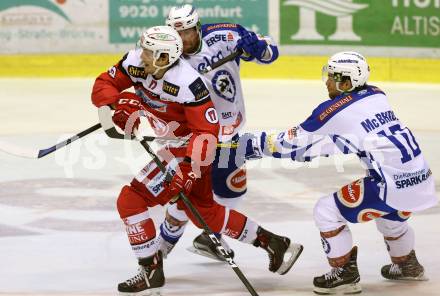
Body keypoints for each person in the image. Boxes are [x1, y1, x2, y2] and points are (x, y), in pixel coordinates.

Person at [91, 25, 302, 295]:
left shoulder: (187, 83)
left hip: (188, 152)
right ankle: (273, 242)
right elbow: (104, 84)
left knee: (131, 200)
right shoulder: (135, 62)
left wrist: (190, 169)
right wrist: (115, 105)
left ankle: (150, 270)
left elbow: (206, 134)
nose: (141, 55)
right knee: (204, 211)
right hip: (175, 147)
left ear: (164, 58)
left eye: (148, 52)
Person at [245, 51, 438, 294]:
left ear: (346, 83)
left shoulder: (333, 110)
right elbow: (346, 138)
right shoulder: (377, 94)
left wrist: (250, 144)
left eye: (332, 77)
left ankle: (344, 273)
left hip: (390, 186)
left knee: (326, 210)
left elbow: (291, 143)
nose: (326, 82)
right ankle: (407, 265)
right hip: (421, 180)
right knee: (390, 216)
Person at [156, 3, 280, 261]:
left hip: (228, 129)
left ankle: (212, 238)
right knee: (185, 197)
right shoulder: (165, 55)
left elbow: (272, 54)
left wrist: (258, 48)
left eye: (187, 32)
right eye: (176, 34)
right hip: (194, 136)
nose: (182, 39)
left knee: (233, 188)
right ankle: (160, 250)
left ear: (197, 27)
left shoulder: (226, 35)